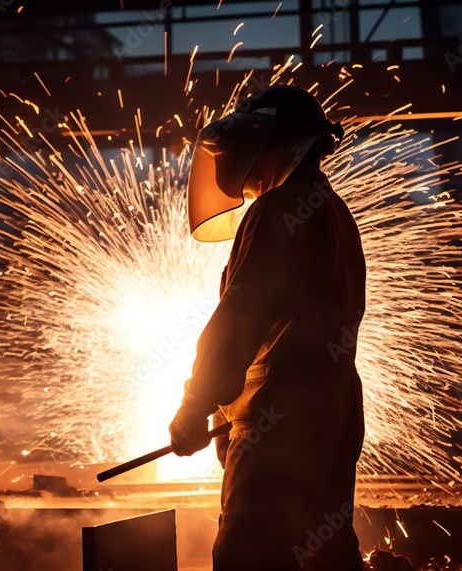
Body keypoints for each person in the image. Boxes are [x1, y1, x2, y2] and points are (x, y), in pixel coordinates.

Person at [168, 85, 367, 571]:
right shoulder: (334, 211)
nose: (242, 171)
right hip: (333, 418)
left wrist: (197, 403)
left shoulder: (279, 211)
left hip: (279, 425)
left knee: (250, 555)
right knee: (324, 553)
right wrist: (224, 412)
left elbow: (243, 315)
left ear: (277, 144)